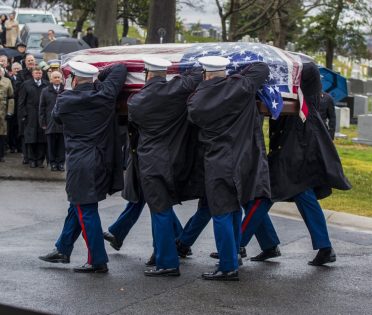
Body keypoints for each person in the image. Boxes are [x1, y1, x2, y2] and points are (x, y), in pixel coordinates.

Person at [240, 62, 351, 266]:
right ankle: (322, 247)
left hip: (296, 151)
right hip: (291, 151)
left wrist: (286, 66)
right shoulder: (295, 93)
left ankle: (238, 245)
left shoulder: (307, 82)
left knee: (263, 194)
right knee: (302, 194)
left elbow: (307, 71)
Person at [105, 57, 203, 277]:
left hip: (150, 163)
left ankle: (167, 262)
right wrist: (180, 72)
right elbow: (197, 74)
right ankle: (161, 254)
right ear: (164, 73)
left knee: (160, 212)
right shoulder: (177, 89)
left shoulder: (136, 101)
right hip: (176, 160)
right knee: (163, 210)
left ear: (146, 74)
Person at [186, 56, 270, 281]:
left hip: (218, 161)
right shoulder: (241, 86)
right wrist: (236, 69)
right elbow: (262, 68)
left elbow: (193, 117)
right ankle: (232, 259)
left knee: (222, 213)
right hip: (243, 160)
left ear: (205, 74)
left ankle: (227, 266)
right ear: (223, 71)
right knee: (233, 211)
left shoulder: (197, 101)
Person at [38, 61, 127, 273]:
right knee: (77, 205)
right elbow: (121, 68)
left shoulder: (65, 99)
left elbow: (56, 118)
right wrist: (99, 79)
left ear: (74, 80)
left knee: (86, 210)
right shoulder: (105, 95)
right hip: (101, 161)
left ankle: (97, 260)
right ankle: (63, 248)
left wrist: (92, 82)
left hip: (80, 163)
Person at [18, 67, 48, 168]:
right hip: (30, 116)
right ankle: (31, 159)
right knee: (30, 138)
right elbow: (21, 102)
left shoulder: (46, 84)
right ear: (32, 74)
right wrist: (24, 115)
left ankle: (40, 160)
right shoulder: (26, 84)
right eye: (36, 73)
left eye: (40, 73)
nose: (38, 75)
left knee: (42, 138)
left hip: (42, 115)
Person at [39, 71, 65, 172]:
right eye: (55, 77)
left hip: (63, 123)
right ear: (51, 79)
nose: (57, 79)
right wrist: (43, 122)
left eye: (59, 77)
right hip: (50, 123)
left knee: (62, 145)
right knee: (51, 145)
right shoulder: (45, 91)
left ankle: (61, 163)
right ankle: (53, 163)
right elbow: (42, 108)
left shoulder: (65, 91)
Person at [6, 62, 22, 153]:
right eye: (15, 69)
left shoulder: (23, 79)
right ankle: (12, 146)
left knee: (19, 127)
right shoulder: (10, 80)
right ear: (12, 70)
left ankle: (19, 146)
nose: (17, 70)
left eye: (18, 68)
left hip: (20, 106)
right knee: (11, 128)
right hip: (12, 107)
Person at [0, 66, 14, 162]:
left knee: (1, 135)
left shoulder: (7, 81)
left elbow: (11, 97)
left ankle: (1, 155)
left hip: (3, 111)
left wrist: (10, 111)